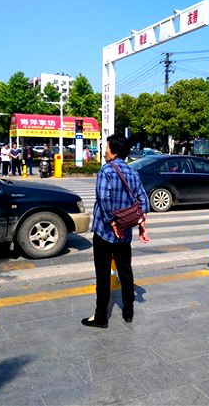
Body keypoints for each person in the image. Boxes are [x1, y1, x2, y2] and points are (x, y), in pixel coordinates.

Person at [82, 134, 150, 329]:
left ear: (114, 151)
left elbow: (104, 200)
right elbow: (143, 201)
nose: (104, 151)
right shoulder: (132, 172)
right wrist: (142, 227)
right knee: (125, 271)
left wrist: (112, 223)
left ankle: (101, 316)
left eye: (107, 147)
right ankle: (128, 311)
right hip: (125, 233)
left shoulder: (106, 171)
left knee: (103, 275)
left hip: (105, 232)